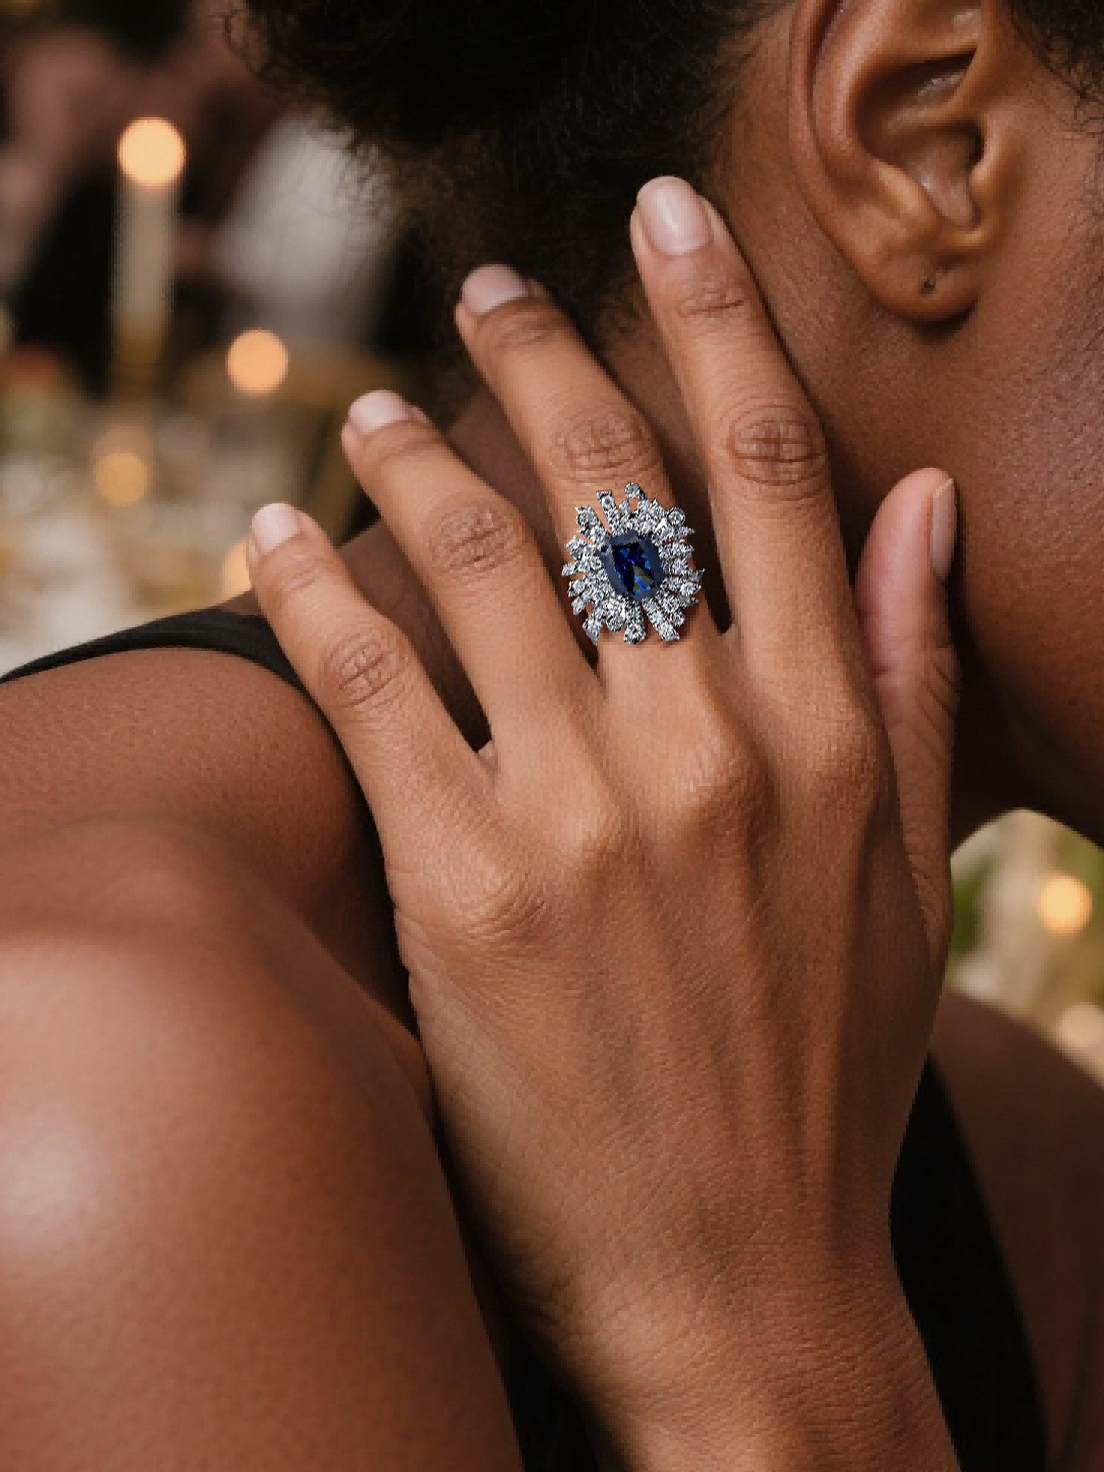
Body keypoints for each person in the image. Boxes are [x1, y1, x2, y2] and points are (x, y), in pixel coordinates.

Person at [0, 0, 1102, 1465]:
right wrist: (763, 1350)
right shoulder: (112, 1097)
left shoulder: (1041, 1172)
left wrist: (769, 1323)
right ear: (926, 135)